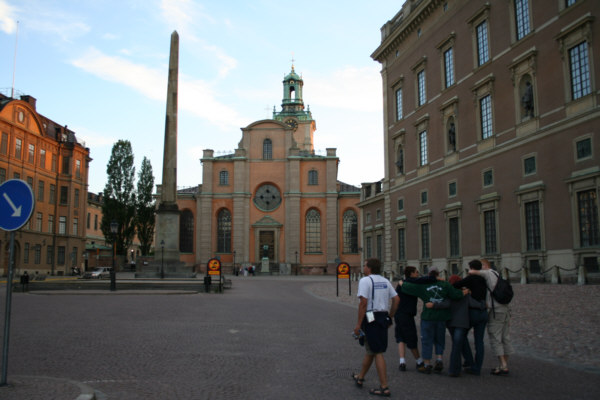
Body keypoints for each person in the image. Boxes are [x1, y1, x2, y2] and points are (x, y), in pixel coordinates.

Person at [399, 266, 464, 374]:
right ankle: (439, 359)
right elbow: (456, 295)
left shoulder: (423, 285)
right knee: (439, 339)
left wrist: (401, 283)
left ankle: (427, 363)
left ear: (428, 275)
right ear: (438, 274)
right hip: (442, 317)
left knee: (426, 340)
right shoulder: (445, 285)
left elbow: (408, 287)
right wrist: (464, 292)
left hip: (428, 317)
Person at [352, 258, 399, 397]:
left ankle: (384, 387)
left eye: (365, 265)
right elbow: (396, 299)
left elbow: (363, 303)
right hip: (382, 316)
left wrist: (358, 324)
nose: (363, 267)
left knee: (377, 351)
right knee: (371, 349)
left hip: (370, 317)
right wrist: (390, 316)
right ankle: (360, 377)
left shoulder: (365, 280)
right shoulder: (385, 281)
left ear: (369, 268)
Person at [469, 258, 513, 375]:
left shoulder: (487, 273)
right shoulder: (496, 274)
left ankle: (503, 365)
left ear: (485, 265)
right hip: (505, 309)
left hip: (495, 310)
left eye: (481, 266)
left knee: (495, 337)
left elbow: (472, 272)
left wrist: (476, 270)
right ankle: (502, 365)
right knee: (505, 337)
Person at [451, 259, 489, 376]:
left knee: (460, 337)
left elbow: (455, 285)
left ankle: (469, 361)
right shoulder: (484, 279)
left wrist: (464, 290)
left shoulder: (471, 278)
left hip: (473, 312)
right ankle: (476, 368)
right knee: (479, 342)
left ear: (471, 268)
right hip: (483, 312)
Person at [394, 266, 435, 372]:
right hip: (407, 314)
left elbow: (396, 298)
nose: (418, 274)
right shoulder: (413, 282)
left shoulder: (401, 283)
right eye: (416, 272)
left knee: (401, 338)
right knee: (411, 338)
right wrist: (436, 278)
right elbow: (428, 279)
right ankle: (419, 361)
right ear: (411, 274)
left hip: (398, 313)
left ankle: (402, 362)